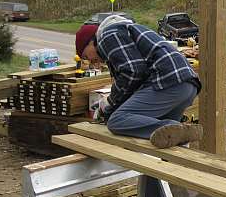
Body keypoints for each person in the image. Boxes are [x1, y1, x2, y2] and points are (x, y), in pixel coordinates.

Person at [76, 14, 202, 149]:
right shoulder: (124, 32)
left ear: (91, 41)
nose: (90, 61)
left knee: (118, 120)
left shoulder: (107, 35)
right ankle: (181, 149)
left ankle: (181, 132)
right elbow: (134, 80)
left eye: (85, 56)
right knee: (167, 139)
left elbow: (133, 71)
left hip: (167, 81)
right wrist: (110, 106)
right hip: (187, 84)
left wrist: (110, 103)